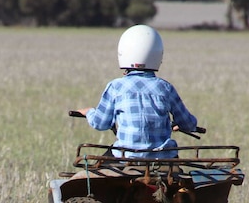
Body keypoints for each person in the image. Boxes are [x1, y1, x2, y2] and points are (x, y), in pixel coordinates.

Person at [76, 24, 198, 158]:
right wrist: (179, 125)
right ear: (158, 54)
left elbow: (100, 123)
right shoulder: (165, 88)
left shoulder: (115, 87)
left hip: (125, 156)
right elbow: (188, 124)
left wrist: (89, 112)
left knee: (98, 172)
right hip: (163, 158)